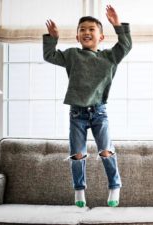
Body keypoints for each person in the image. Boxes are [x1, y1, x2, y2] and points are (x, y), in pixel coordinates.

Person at [43, 5, 132, 208]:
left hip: (99, 112)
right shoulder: (72, 55)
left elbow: (125, 46)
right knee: (77, 154)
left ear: (101, 37)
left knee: (106, 151)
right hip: (77, 113)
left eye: (92, 29)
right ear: (77, 36)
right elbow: (50, 56)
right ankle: (79, 191)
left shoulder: (109, 57)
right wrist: (53, 38)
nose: (86, 32)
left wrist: (117, 25)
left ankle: (114, 185)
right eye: (82, 29)